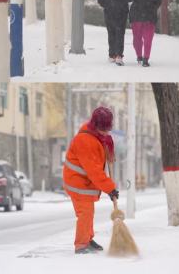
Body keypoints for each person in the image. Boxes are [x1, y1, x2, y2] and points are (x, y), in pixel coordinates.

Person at [63, 107, 119, 254]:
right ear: (96, 125)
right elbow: (94, 171)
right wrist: (110, 188)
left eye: (108, 129)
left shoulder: (97, 136)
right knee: (85, 213)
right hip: (78, 183)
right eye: (103, 129)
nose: (106, 132)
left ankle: (88, 238)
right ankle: (81, 245)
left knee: (89, 212)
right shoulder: (85, 141)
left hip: (85, 182)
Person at [96, 0, 132, 66]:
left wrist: (105, 4)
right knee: (120, 32)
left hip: (109, 10)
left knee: (111, 32)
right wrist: (123, 0)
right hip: (122, 10)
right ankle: (119, 56)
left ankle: (111, 54)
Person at [130, 0, 162, 67]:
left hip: (136, 15)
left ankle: (139, 55)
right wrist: (153, 7)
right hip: (149, 16)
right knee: (148, 38)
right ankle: (146, 58)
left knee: (137, 38)